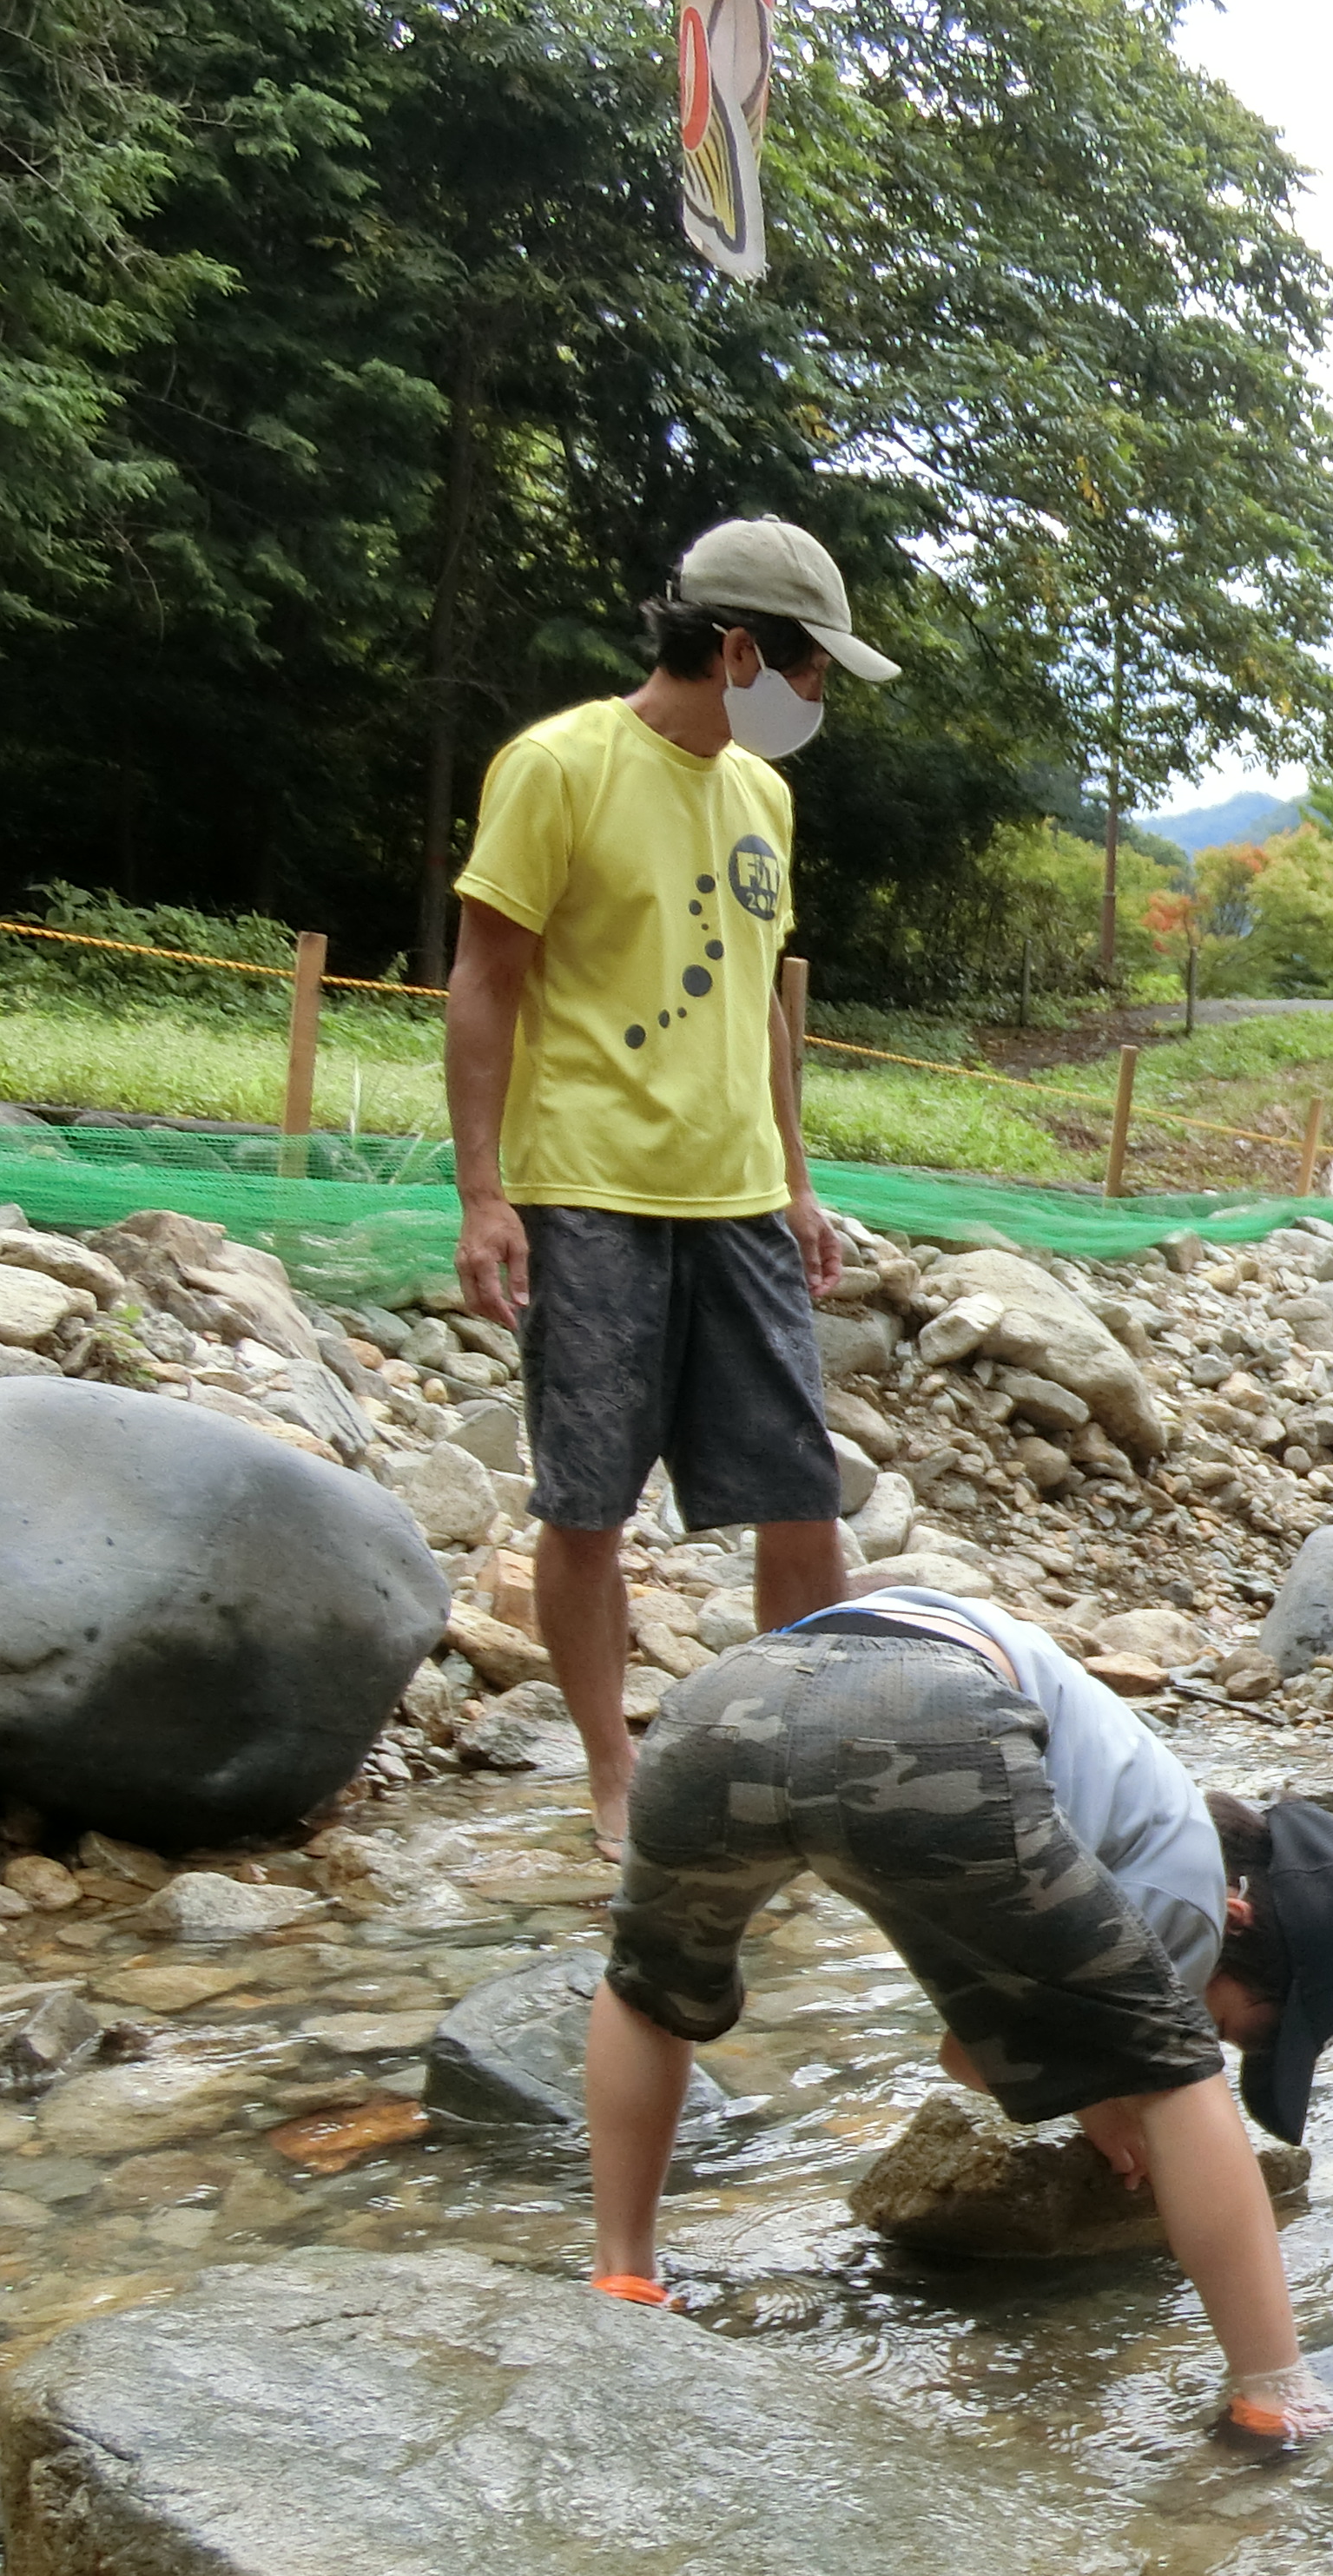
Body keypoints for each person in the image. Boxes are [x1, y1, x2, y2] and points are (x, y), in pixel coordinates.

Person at [584, 1578, 1333, 2443]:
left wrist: (1090, 2087)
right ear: (1241, 1918)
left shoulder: (1121, 1798)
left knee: (650, 1987)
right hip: (923, 1713)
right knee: (1175, 2074)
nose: (1215, 2035)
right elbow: (1089, 2061)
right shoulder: (1190, 1887)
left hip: (728, 1696)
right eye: (1233, 2025)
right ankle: (1276, 2392)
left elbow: (964, 2050)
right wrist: (1127, 2085)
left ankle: (624, 2274)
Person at [446, 517, 901, 1855]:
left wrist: (797, 1179)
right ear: (742, 649)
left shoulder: (764, 796)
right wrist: (485, 1195)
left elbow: (764, 998)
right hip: (588, 1189)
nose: (816, 702)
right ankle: (609, 1774)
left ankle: (800, 1763)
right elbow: (485, 981)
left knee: (800, 1492)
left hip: (740, 1200)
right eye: (811, 674)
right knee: (587, 1498)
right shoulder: (559, 767)